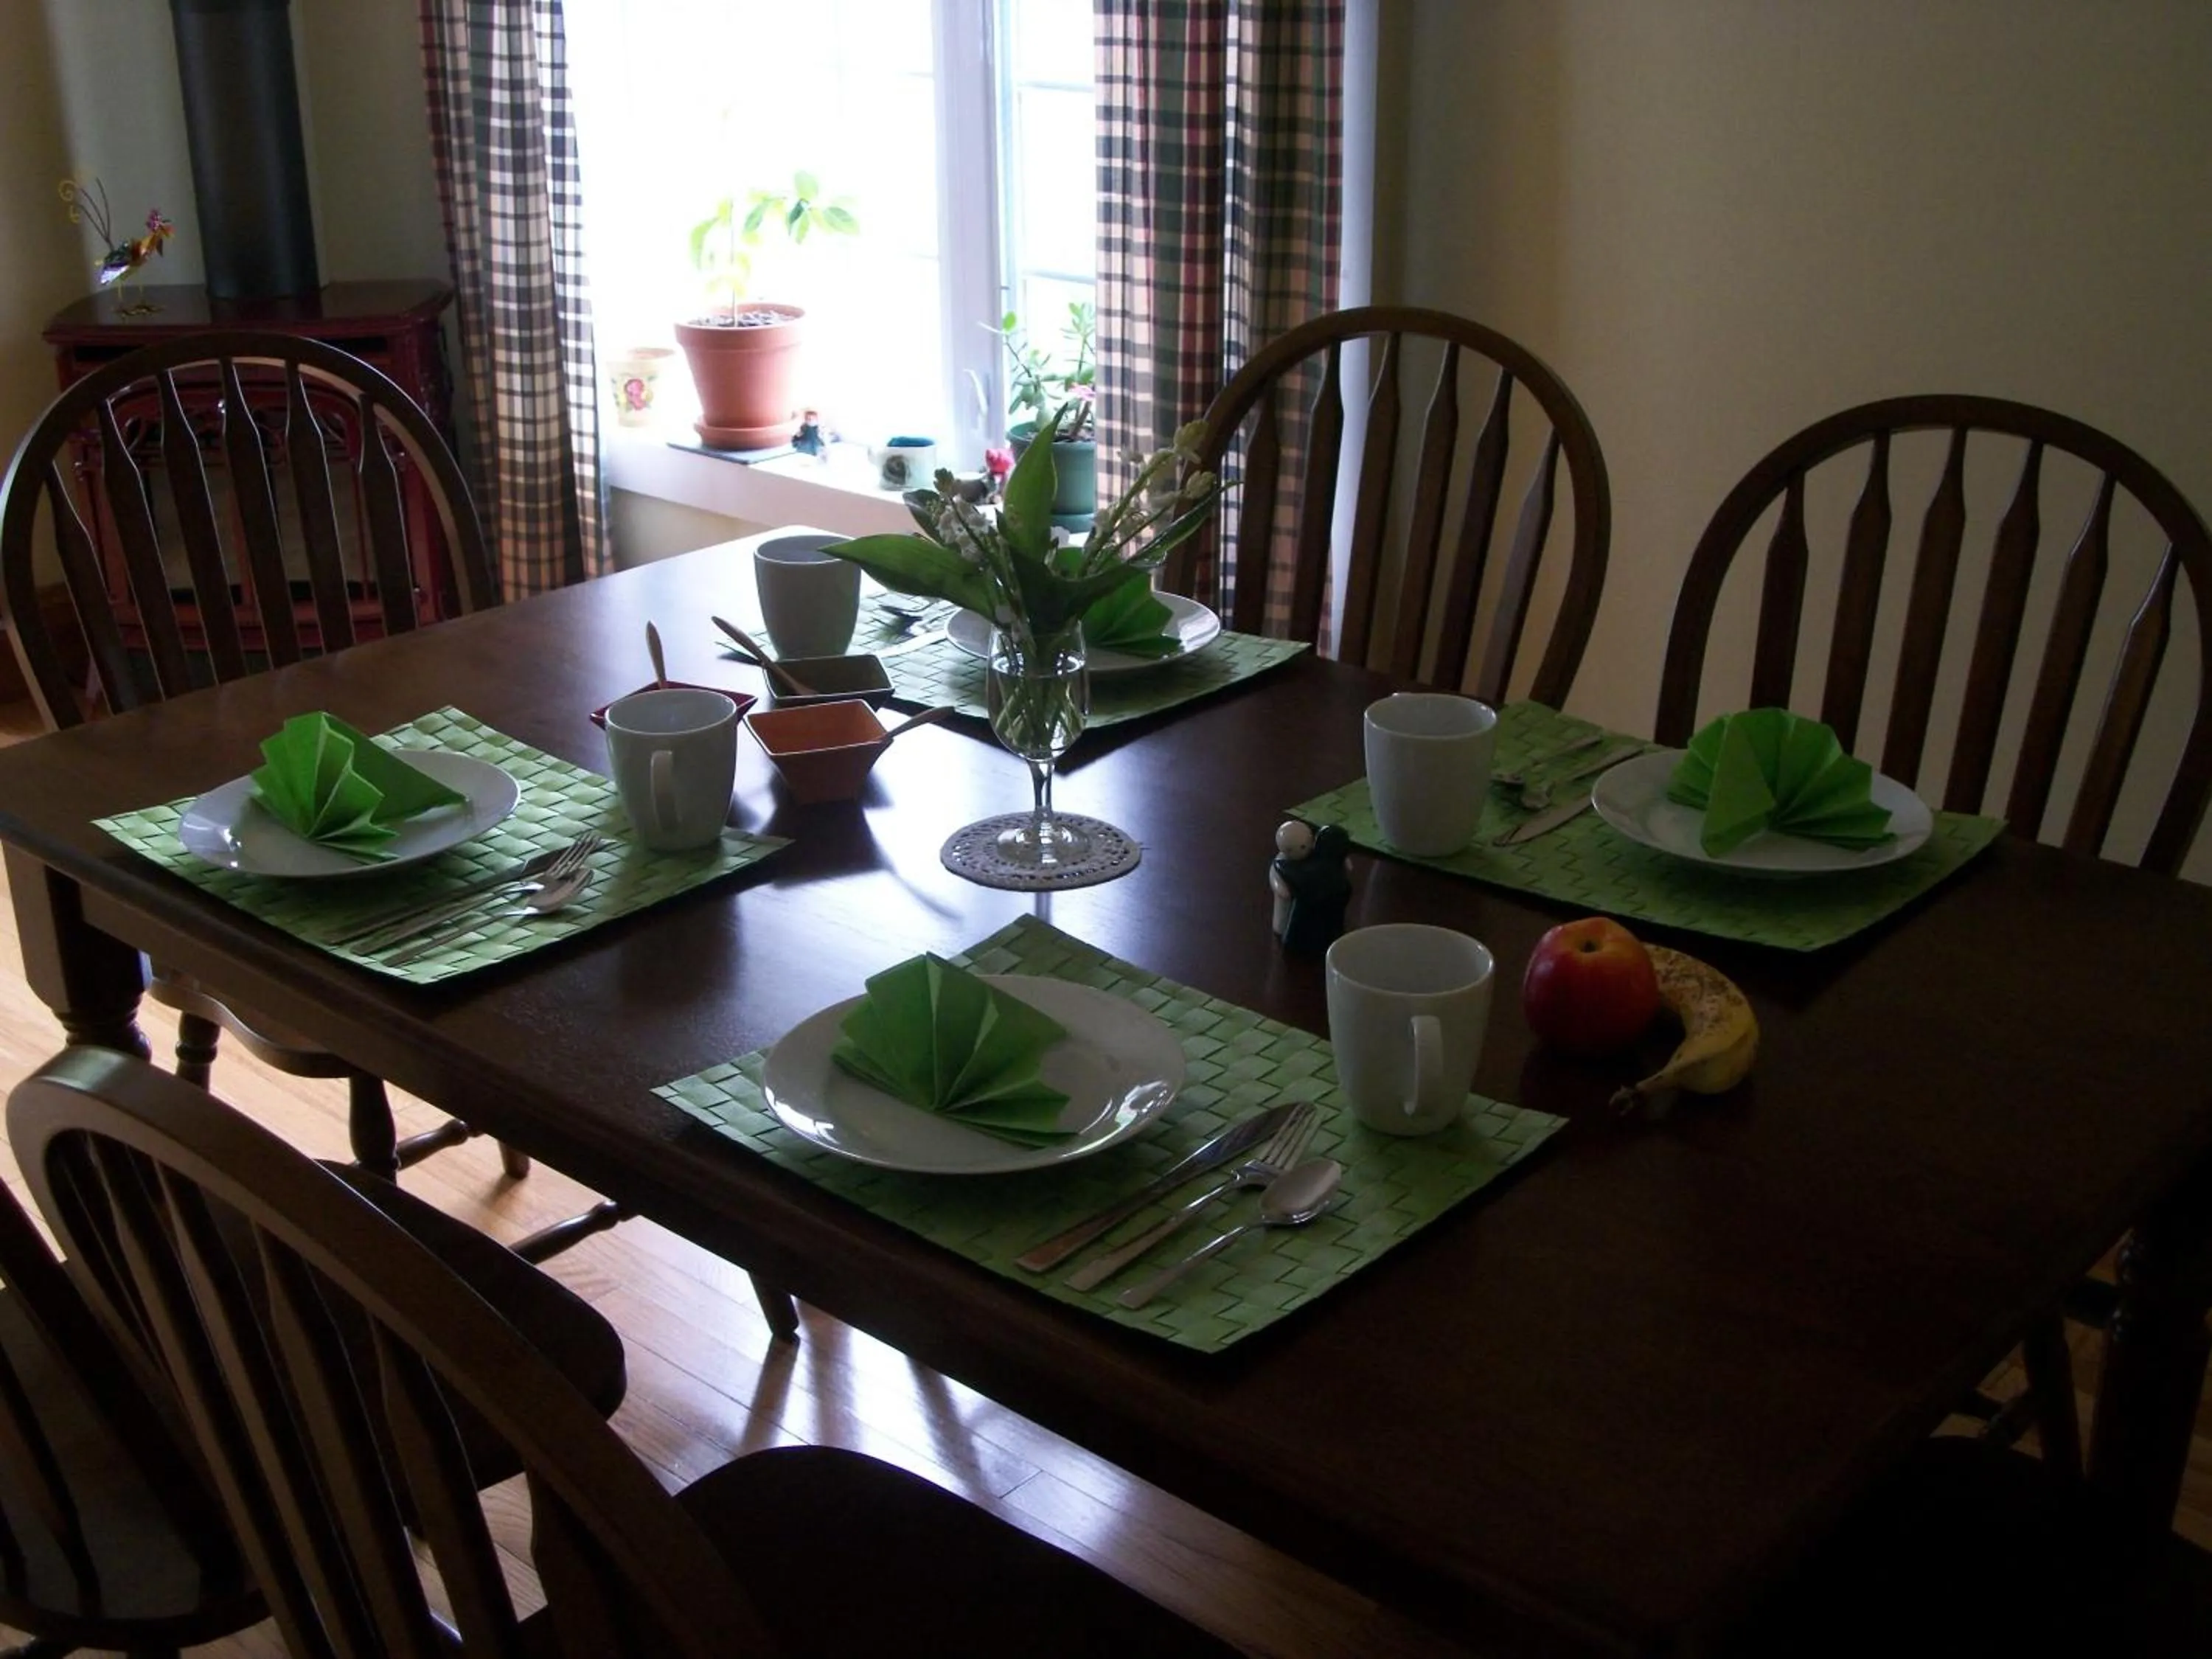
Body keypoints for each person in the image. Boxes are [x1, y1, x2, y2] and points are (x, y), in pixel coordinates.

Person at [1270, 821, 1352, 954]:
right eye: (1291, 849)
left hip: (1313, 907)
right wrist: (1281, 888)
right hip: (1293, 900)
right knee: (1282, 920)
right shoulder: (1284, 862)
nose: (1301, 851)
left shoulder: (1314, 860)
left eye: (1304, 846)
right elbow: (1278, 877)